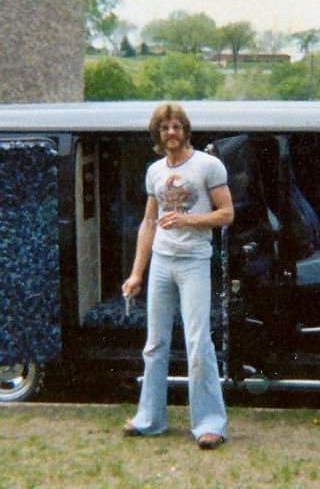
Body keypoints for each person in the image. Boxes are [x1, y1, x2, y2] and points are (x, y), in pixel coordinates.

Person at [121, 103, 234, 450]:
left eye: (177, 127)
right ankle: (150, 420)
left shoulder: (208, 165)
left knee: (199, 344)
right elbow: (149, 223)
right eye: (165, 127)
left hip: (194, 263)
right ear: (157, 133)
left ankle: (209, 424)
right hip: (161, 264)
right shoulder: (154, 171)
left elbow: (227, 214)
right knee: (155, 344)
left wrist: (188, 221)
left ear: (185, 131)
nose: (171, 133)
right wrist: (136, 273)